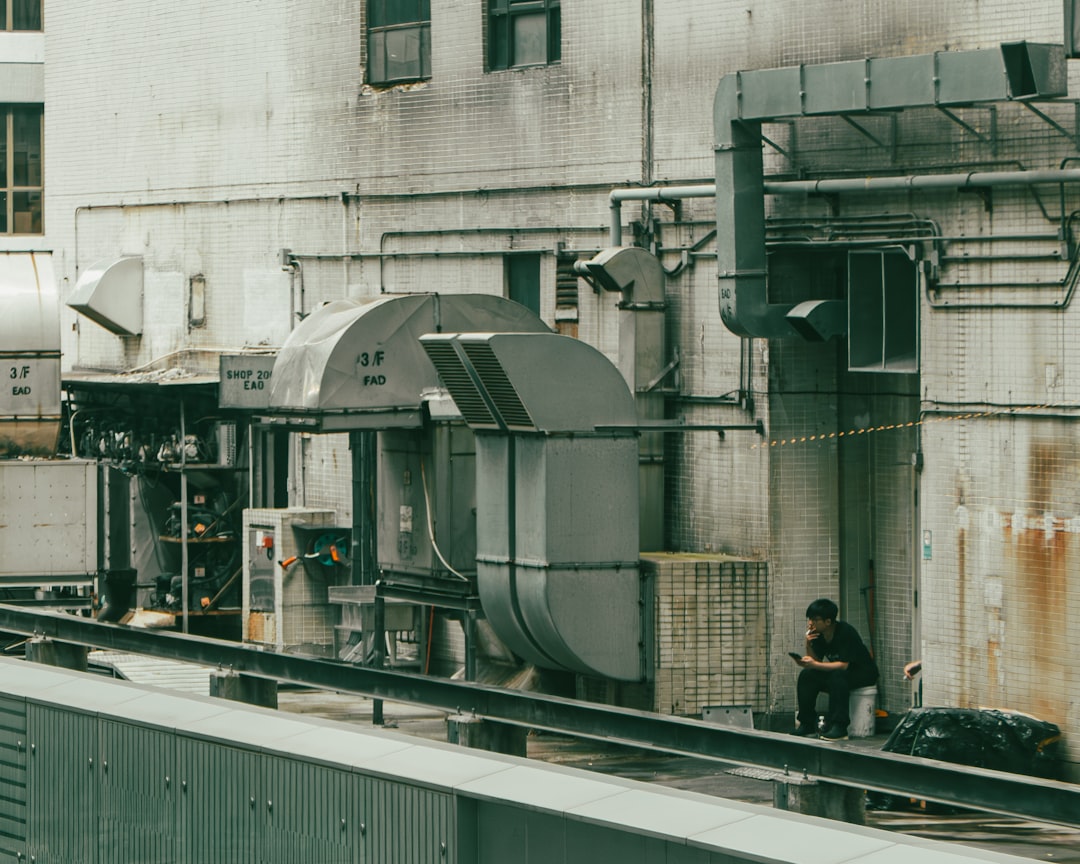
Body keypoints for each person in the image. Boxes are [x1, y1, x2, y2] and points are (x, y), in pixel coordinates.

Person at [790, 598, 879, 741]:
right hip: (840, 673)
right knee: (807, 675)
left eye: (814, 619)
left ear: (828, 622)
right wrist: (808, 644)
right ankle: (806, 723)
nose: (810, 623)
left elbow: (844, 665)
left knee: (837, 677)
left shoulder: (846, 632)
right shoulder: (818, 635)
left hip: (863, 674)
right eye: (809, 619)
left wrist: (814, 665)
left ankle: (839, 727)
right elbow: (816, 661)